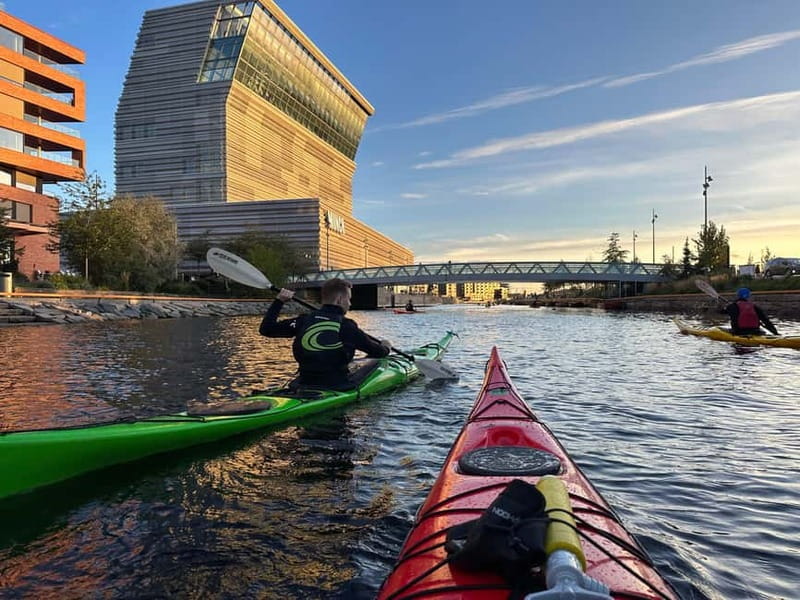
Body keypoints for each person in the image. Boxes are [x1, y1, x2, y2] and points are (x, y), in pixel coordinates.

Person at [259, 278, 392, 389]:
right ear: (339, 300)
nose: (350, 304)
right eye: (349, 299)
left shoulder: (303, 320)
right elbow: (376, 351)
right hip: (337, 385)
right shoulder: (347, 326)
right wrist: (386, 347)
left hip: (304, 383)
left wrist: (279, 301)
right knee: (376, 362)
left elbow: (266, 329)